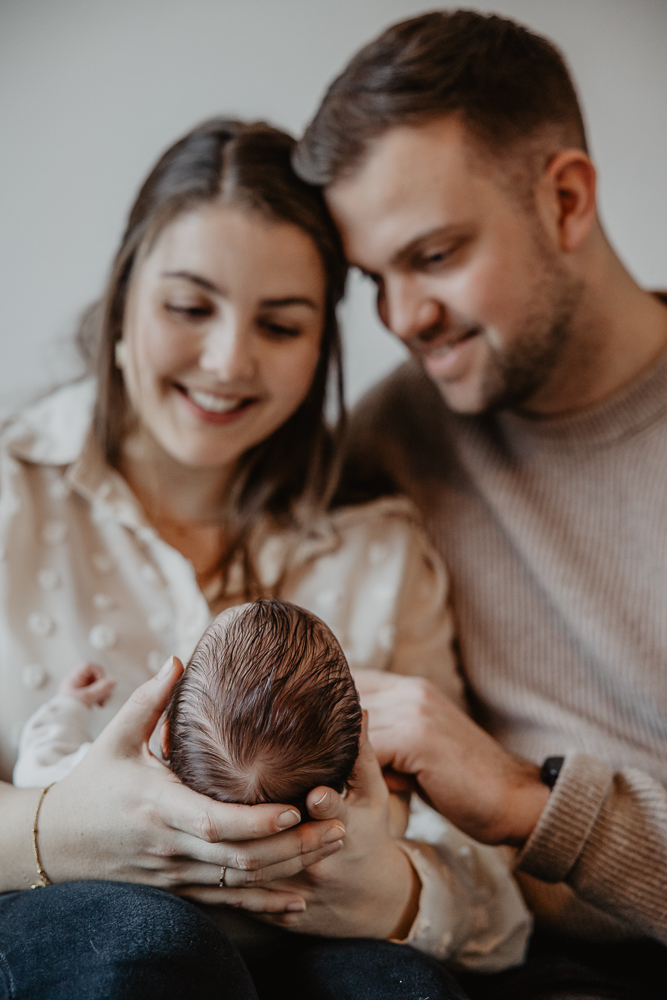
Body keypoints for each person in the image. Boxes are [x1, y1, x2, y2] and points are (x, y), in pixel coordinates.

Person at [0, 116, 529, 998]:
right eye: (187, 306)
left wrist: (385, 892)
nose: (226, 359)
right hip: (95, 946)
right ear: (124, 297)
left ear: (323, 343)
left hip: (320, 954)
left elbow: (490, 891)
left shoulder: (379, 552)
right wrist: (56, 829)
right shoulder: (12, 500)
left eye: (280, 325)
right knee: (141, 945)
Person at [293, 8, 667, 999]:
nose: (402, 320)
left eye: (436, 255)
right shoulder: (392, 434)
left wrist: (518, 796)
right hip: (508, 961)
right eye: (374, 279)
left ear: (567, 200)